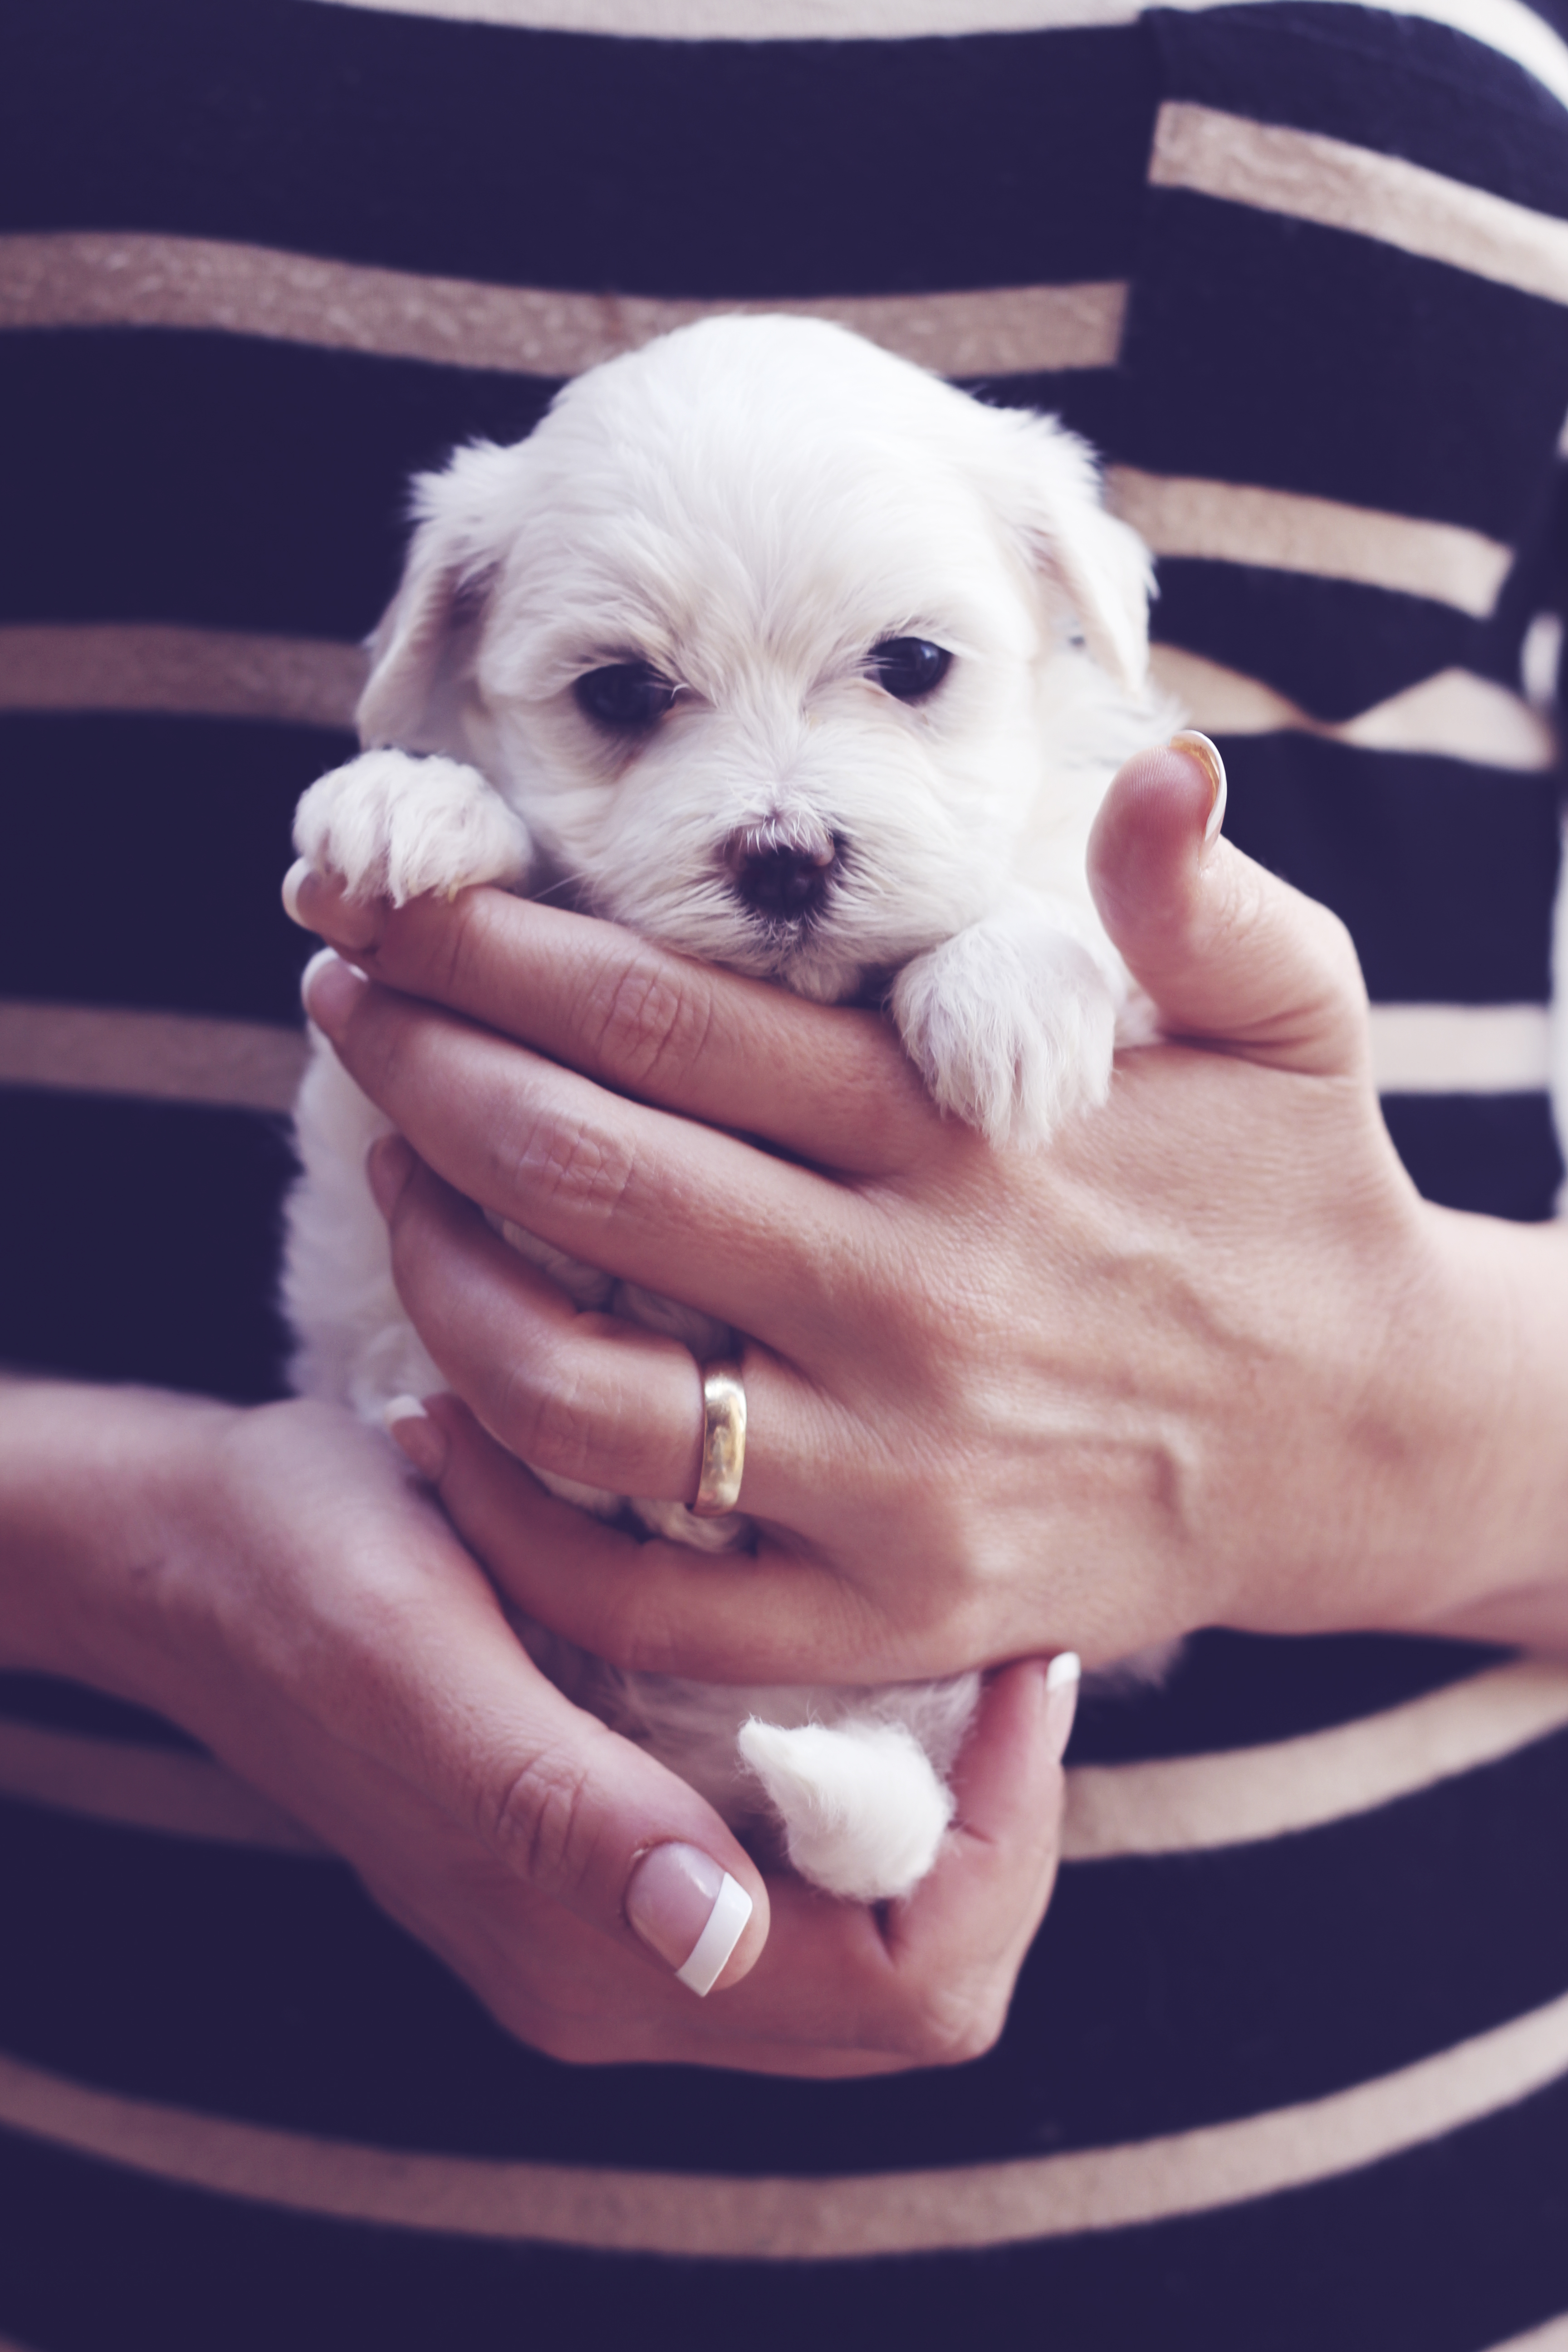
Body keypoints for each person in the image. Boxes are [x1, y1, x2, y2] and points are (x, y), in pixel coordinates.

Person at [3, 0, 1568, 2342]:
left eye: (907, 674)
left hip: (1399, 2211)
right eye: (624, 697)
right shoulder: (455, 721)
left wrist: (1374, 1431)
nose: (784, 823)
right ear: (453, 648)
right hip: (167, 2166)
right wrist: (128, 1554)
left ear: (1065, 618)